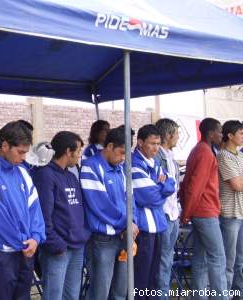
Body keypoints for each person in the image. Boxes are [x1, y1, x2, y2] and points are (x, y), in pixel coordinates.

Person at [0, 121, 46, 300]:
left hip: (25, 252)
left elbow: (35, 208)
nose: (23, 157)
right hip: (1, 255)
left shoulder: (21, 172)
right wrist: (23, 242)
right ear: (4, 145)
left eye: (25, 152)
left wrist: (36, 237)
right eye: (20, 152)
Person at [81, 126, 139, 300]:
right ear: (109, 146)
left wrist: (133, 221)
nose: (123, 158)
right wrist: (127, 223)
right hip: (102, 240)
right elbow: (100, 205)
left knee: (121, 290)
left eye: (126, 155)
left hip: (124, 236)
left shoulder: (122, 169)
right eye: (121, 153)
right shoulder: (90, 167)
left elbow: (131, 199)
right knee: (101, 291)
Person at [33, 131, 90, 300]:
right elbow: (43, 214)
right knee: (54, 296)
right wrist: (55, 243)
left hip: (77, 246)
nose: (79, 156)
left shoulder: (70, 176)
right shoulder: (45, 175)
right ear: (68, 151)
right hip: (57, 249)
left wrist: (83, 234)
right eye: (78, 151)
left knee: (72, 295)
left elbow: (79, 210)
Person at [180, 117, 227, 300]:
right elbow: (195, 186)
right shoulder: (206, 153)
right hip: (205, 212)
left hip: (200, 212)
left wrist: (188, 211)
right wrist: (186, 212)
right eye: (220, 131)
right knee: (218, 258)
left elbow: (188, 185)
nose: (221, 135)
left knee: (200, 259)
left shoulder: (198, 150)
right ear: (210, 133)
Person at [131, 124, 175, 299]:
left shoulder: (156, 162)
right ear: (140, 142)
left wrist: (160, 186)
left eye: (158, 143)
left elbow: (172, 185)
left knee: (154, 276)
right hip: (143, 228)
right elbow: (148, 198)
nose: (156, 147)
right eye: (152, 143)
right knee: (141, 278)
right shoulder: (134, 163)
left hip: (158, 224)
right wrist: (161, 187)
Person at [154, 118, 180, 299]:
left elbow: (172, 186)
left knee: (167, 258)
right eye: (176, 133)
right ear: (168, 135)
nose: (178, 137)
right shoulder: (157, 157)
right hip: (162, 213)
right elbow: (160, 187)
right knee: (162, 260)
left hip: (173, 214)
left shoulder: (171, 157)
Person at [217, 120, 243, 294]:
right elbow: (236, 185)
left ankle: (237, 293)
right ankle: (224, 294)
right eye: (240, 133)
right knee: (229, 260)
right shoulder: (223, 156)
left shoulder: (240, 155)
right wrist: (239, 179)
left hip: (241, 213)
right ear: (230, 136)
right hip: (230, 214)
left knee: (240, 259)